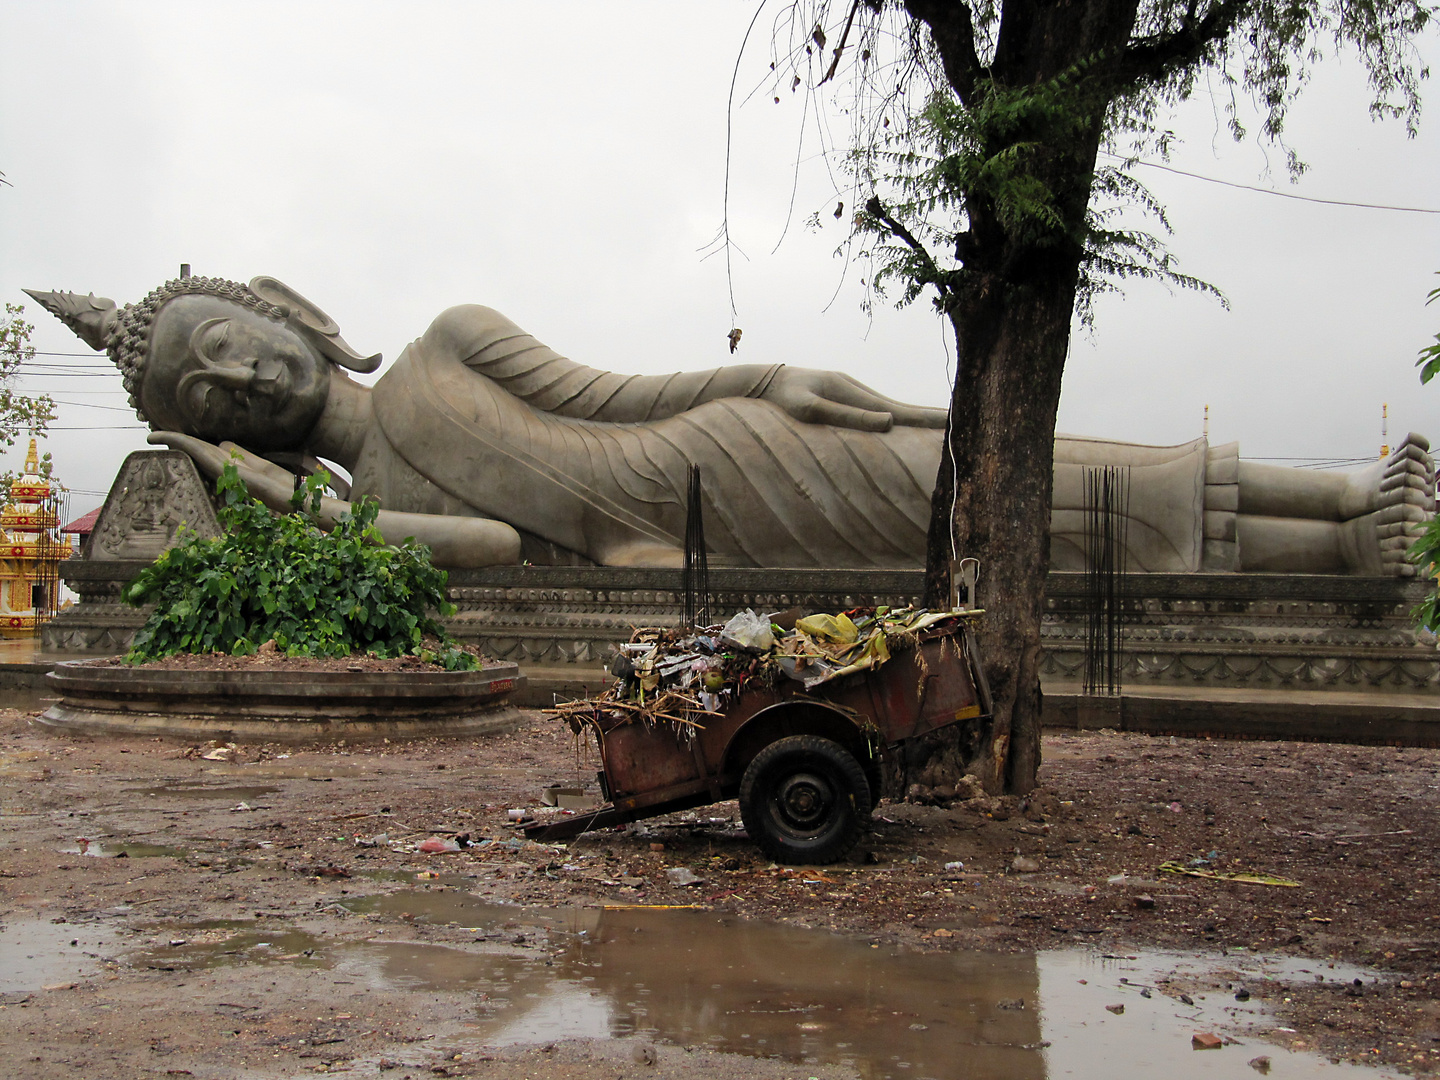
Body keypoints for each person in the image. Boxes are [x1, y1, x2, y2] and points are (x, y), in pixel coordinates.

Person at [27, 275, 1434, 574]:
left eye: (229, 346)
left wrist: (764, 382)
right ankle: (1351, 559)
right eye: (207, 400)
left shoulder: (451, 342)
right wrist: (285, 502)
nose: (238, 382)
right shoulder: (372, 485)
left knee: (979, 465)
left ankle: (1344, 493)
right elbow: (491, 550)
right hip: (671, 543)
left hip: (720, 451)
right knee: (1004, 544)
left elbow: (609, 394)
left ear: (279, 308)